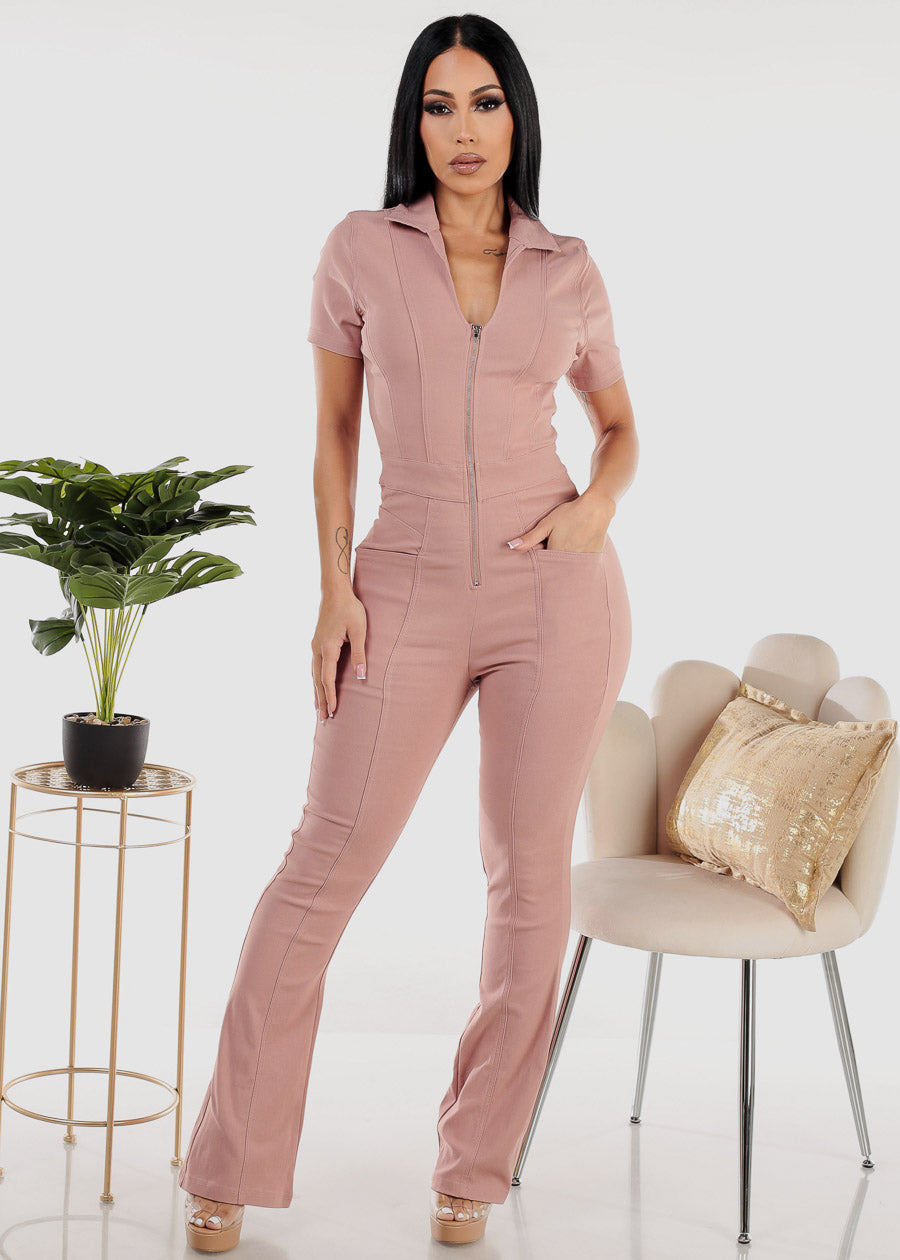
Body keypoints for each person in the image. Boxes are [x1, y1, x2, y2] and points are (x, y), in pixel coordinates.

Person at [180, 12, 638, 1253]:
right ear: (413, 123)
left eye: (485, 103)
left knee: (528, 883)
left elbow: (620, 428)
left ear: (518, 116)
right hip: (404, 579)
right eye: (439, 106)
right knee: (322, 863)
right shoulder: (360, 250)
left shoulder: (568, 267)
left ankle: (473, 1165)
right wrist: (335, 588)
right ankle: (229, 1156)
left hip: (555, 592)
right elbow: (331, 434)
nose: (464, 130)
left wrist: (596, 509)